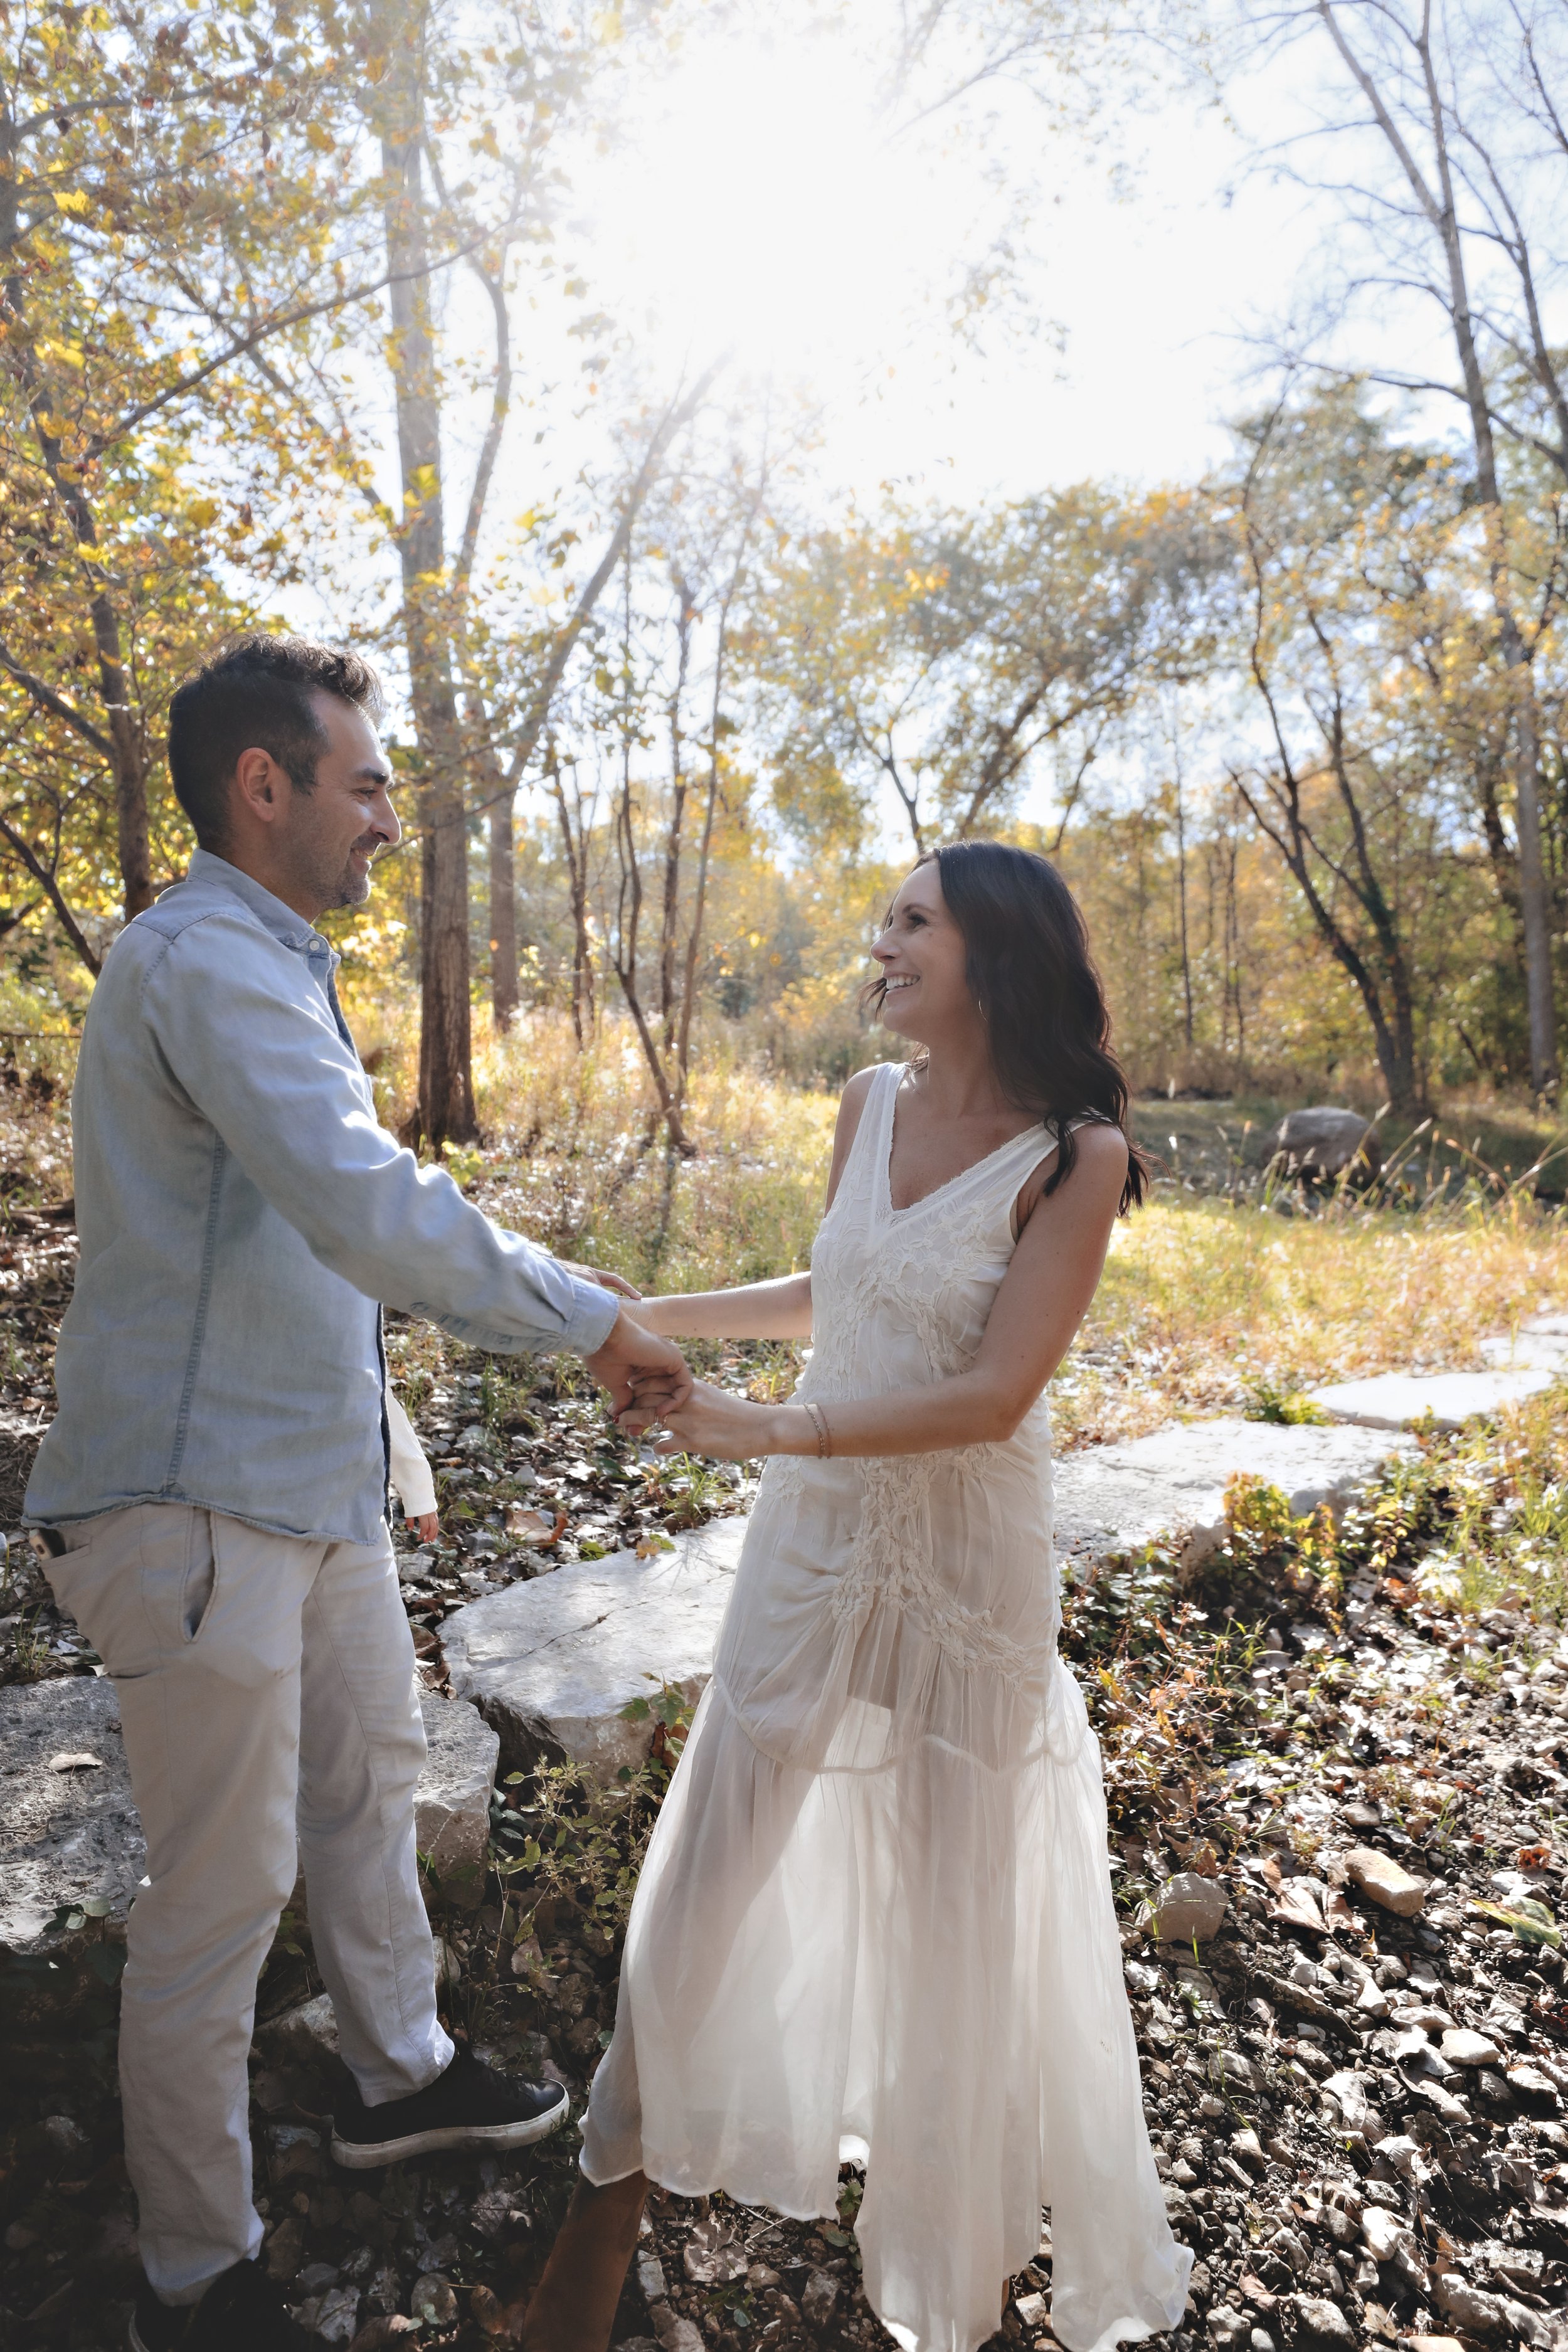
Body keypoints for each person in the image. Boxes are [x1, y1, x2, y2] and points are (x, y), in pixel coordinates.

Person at [23, 634, 689, 2352]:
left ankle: (397, 2068)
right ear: (268, 783)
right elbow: (361, 1202)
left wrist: (378, 1463)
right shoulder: (204, 960)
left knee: (368, 1782)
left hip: (300, 1491)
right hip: (190, 1507)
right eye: (366, 780)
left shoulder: (269, 960)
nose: (388, 812)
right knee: (221, 1891)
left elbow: (308, 1257)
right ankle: (194, 2270)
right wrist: (589, 1314)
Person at [523, 843, 1191, 2352]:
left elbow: (991, 1388)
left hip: (962, 1566)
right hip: (814, 1542)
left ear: (993, 954)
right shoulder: (867, 1104)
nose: (876, 943)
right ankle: (604, 2202)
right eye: (882, 917)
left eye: (908, 921)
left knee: (951, 1917)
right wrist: (624, 1315)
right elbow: (835, 1288)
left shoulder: (1073, 1157)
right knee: (701, 1878)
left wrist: (770, 1427)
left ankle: (942, 2298)